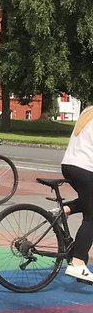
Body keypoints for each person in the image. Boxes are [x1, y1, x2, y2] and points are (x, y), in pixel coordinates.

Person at [60, 105, 93, 283]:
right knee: (92, 217)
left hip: (69, 165)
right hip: (85, 168)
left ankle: (64, 210)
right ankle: (78, 263)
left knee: (89, 201)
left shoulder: (87, 112)